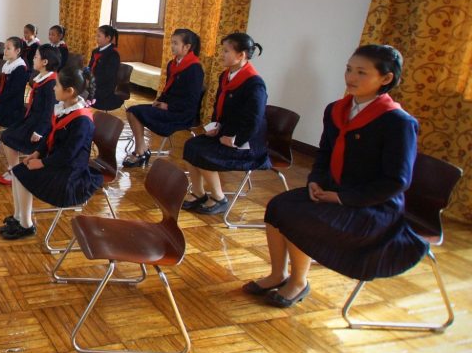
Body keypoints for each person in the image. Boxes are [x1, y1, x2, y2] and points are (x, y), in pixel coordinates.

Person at [245, 45, 424, 308]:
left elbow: (397, 181)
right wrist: (315, 180)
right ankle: (277, 274)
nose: (351, 77)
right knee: (276, 207)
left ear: (385, 79)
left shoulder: (398, 122)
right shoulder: (336, 110)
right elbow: (325, 153)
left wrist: (342, 198)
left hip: (372, 206)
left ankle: (298, 281)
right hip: (332, 188)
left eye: (362, 72)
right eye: (349, 69)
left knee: (299, 219)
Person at [0, 64, 102, 240]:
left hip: (70, 173)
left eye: (57, 85)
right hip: (56, 161)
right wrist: (37, 153)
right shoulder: (63, 107)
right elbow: (49, 135)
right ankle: (19, 217)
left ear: (69, 91)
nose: (54, 87)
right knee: (17, 171)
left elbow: (69, 154)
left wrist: (42, 163)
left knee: (24, 176)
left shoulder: (82, 120)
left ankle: (26, 226)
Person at [182, 33, 268, 215]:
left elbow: (254, 120)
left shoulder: (254, 83)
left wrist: (236, 140)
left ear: (241, 55)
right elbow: (219, 106)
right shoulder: (226, 76)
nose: (222, 54)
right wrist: (216, 125)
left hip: (246, 143)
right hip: (225, 133)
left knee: (205, 154)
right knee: (191, 145)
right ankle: (198, 193)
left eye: (226, 51)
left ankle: (219, 198)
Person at [123, 28, 205, 168]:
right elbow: (168, 88)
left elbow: (192, 100)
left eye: (175, 43)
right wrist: (160, 100)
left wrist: (169, 106)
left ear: (187, 47)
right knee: (131, 111)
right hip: (168, 106)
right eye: (171, 42)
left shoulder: (194, 68)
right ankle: (141, 148)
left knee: (135, 112)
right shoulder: (172, 64)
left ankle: (140, 151)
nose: (171, 46)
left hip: (181, 113)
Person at [0, 45, 60, 186]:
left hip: (40, 125)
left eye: (36, 56)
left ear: (45, 62)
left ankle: (15, 172)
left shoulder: (51, 83)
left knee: (8, 137)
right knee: (7, 135)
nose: (33, 58)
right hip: (32, 118)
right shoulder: (42, 78)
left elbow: (49, 111)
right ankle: (14, 169)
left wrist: (40, 131)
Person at [89, 25, 123, 110]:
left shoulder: (113, 54)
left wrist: (90, 82)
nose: (96, 38)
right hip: (93, 83)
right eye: (96, 36)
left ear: (108, 38)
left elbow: (107, 76)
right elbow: (90, 67)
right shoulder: (95, 51)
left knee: (79, 95)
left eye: (99, 36)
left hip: (104, 88)